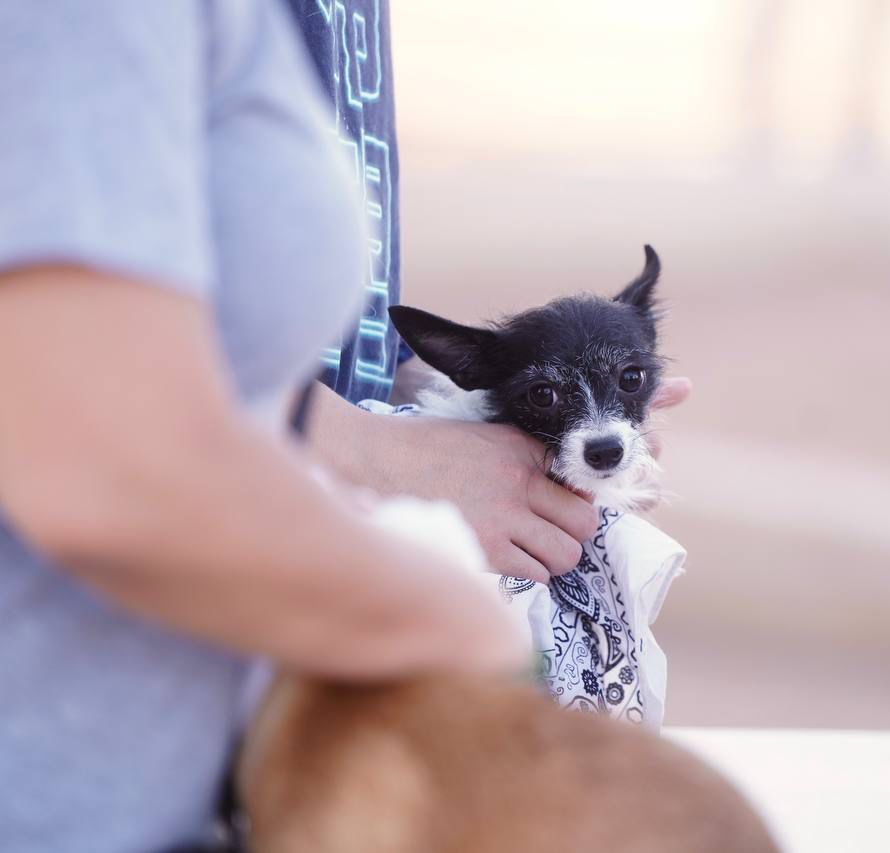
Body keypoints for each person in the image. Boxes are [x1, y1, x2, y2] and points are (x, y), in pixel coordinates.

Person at [0, 4, 683, 851]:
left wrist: (478, 419)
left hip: (239, 788)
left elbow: (304, 344)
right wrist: (471, 635)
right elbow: (97, 431)